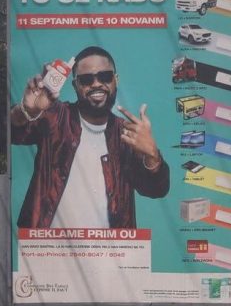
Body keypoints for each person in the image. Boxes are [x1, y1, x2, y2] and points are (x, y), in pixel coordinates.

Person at [10, 45, 168, 230]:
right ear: (75, 85)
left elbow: (155, 190)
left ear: (116, 80)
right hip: (49, 251)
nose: (96, 84)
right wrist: (26, 111)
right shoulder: (56, 117)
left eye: (105, 76)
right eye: (86, 79)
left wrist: (152, 155)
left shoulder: (126, 134)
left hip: (110, 254)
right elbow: (13, 133)